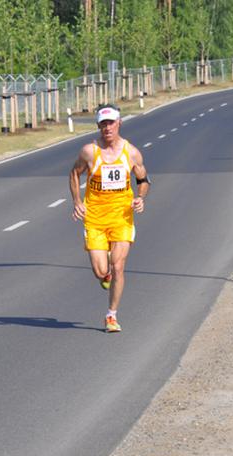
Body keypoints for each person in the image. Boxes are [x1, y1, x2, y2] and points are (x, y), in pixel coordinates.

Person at [68, 104, 150, 333]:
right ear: (98, 126)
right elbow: (74, 173)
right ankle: (105, 275)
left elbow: (143, 181)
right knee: (100, 271)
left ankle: (111, 316)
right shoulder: (89, 152)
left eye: (111, 123)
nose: (107, 128)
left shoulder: (131, 152)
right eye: (103, 124)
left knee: (119, 265)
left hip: (122, 216)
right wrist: (77, 201)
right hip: (94, 217)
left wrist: (141, 198)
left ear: (119, 123)